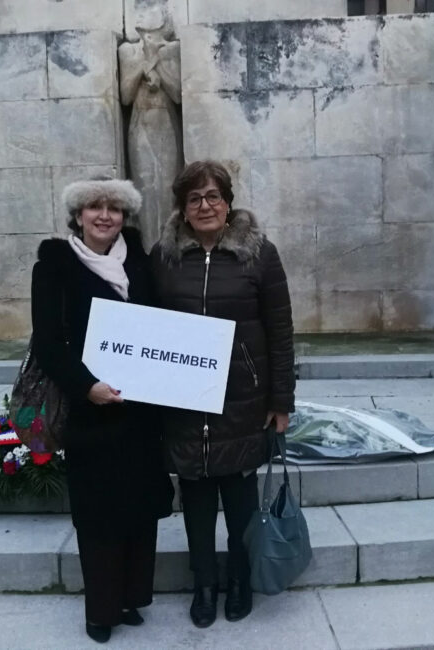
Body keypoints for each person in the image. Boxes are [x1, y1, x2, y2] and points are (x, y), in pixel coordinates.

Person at [150, 160, 296, 627]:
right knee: (194, 498)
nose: (205, 205)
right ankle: (204, 584)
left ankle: (237, 578)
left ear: (228, 203)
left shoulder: (259, 254)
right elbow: (147, 326)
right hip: (185, 400)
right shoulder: (165, 257)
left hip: (242, 399)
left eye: (214, 196)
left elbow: (280, 329)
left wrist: (281, 400)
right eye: (194, 198)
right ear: (183, 209)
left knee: (239, 499)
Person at [31, 177, 174, 644]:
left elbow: (161, 326)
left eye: (114, 207)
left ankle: (131, 598)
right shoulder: (54, 265)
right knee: (98, 513)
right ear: (78, 215)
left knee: (139, 506)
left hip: (139, 411)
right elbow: (49, 342)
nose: (104, 215)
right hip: (90, 412)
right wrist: (86, 387)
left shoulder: (139, 261)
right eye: (94, 206)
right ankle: (101, 611)